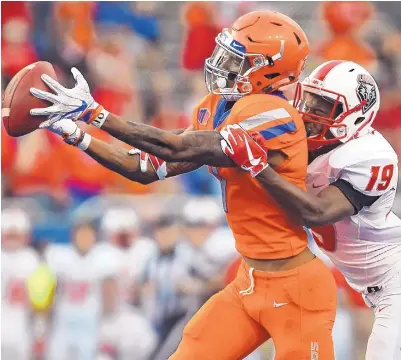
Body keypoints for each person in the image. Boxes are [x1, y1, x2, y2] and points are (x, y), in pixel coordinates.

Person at [29, 10, 337, 360]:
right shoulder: (217, 108)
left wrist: (94, 114)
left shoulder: (275, 115)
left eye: (240, 60)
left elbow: (176, 146)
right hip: (249, 282)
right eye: (228, 53)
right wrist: (75, 134)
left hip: (296, 288)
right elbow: (144, 167)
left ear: (270, 71)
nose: (226, 65)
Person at [219, 60, 401, 360]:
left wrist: (259, 166)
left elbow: (315, 213)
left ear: (354, 118)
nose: (308, 113)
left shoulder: (370, 157)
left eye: (323, 106)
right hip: (363, 283)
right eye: (309, 100)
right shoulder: (310, 142)